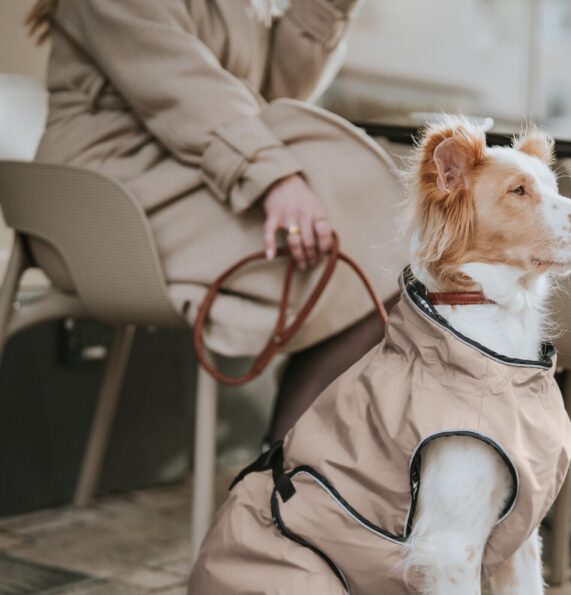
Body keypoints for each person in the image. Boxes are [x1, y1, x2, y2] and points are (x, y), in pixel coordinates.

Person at [26, 0, 404, 439]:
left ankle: (291, 470)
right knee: (358, 258)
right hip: (106, 200)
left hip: (188, 176)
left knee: (383, 260)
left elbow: (271, 92)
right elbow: (183, 89)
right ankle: (284, 474)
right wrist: (275, 179)